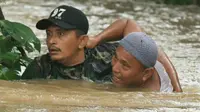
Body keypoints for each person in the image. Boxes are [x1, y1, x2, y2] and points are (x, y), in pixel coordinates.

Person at [21, 5, 182, 92]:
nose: (51, 41)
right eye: (49, 34)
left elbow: (147, 47)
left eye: (61, 34)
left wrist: (177, 88)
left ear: (82, 40)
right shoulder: (39, 67)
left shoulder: (110, 56)